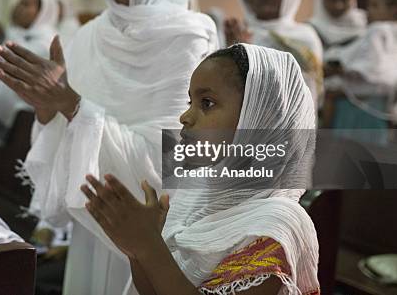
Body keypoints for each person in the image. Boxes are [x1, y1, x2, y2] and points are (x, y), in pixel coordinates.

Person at [0, 0, 217, 294]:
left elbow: (176, 160)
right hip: (92, 228)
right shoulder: (90, 34)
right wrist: (48, 110)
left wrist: (70, 105)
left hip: (156, 240)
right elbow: (68, 127)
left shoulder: (188, 39)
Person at [82, 44, 320, 295]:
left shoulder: (278, 225)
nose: (185, 116)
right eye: (190, 101)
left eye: (206, 103)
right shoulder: (194, 194)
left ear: (261, 119)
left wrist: (149, 247)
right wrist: (136, 248)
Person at [224, 0, 323, 106]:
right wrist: (234, 49)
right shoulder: (238, 33)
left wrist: (245, 52)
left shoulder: (304, 37)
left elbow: (300, 93)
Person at [324, 0, 397, 142]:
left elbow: (372, 65)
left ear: (394, 9)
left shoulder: (379, 30)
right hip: (377, 107)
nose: (368, 11)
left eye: (375, 5)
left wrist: (341, 68)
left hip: (356, 107)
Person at [0, 0, 59, 144]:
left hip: (29, 120)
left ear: (43, 12)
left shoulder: (47, 42)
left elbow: (10, 63)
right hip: (11, 118)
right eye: (20, 2)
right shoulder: (15, 34)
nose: (19, 7)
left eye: (26, 4)